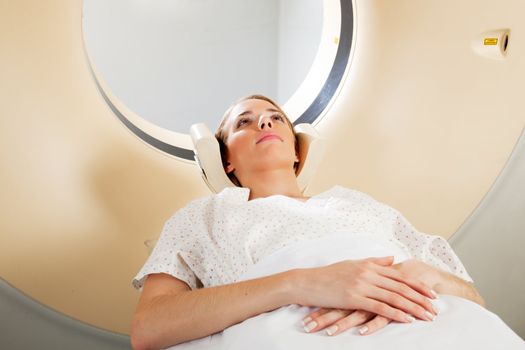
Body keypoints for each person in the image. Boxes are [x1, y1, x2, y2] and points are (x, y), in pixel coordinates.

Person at [130, 95, 484, 350]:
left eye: (275, 117)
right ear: (227, 162)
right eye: (244, 122)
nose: (264, 122)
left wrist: (430, 275)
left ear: (297, 152)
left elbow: (474, 301)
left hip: (423, 326)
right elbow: (150, 328)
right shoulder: (203, 216)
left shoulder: (359, 204)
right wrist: (301, 283)